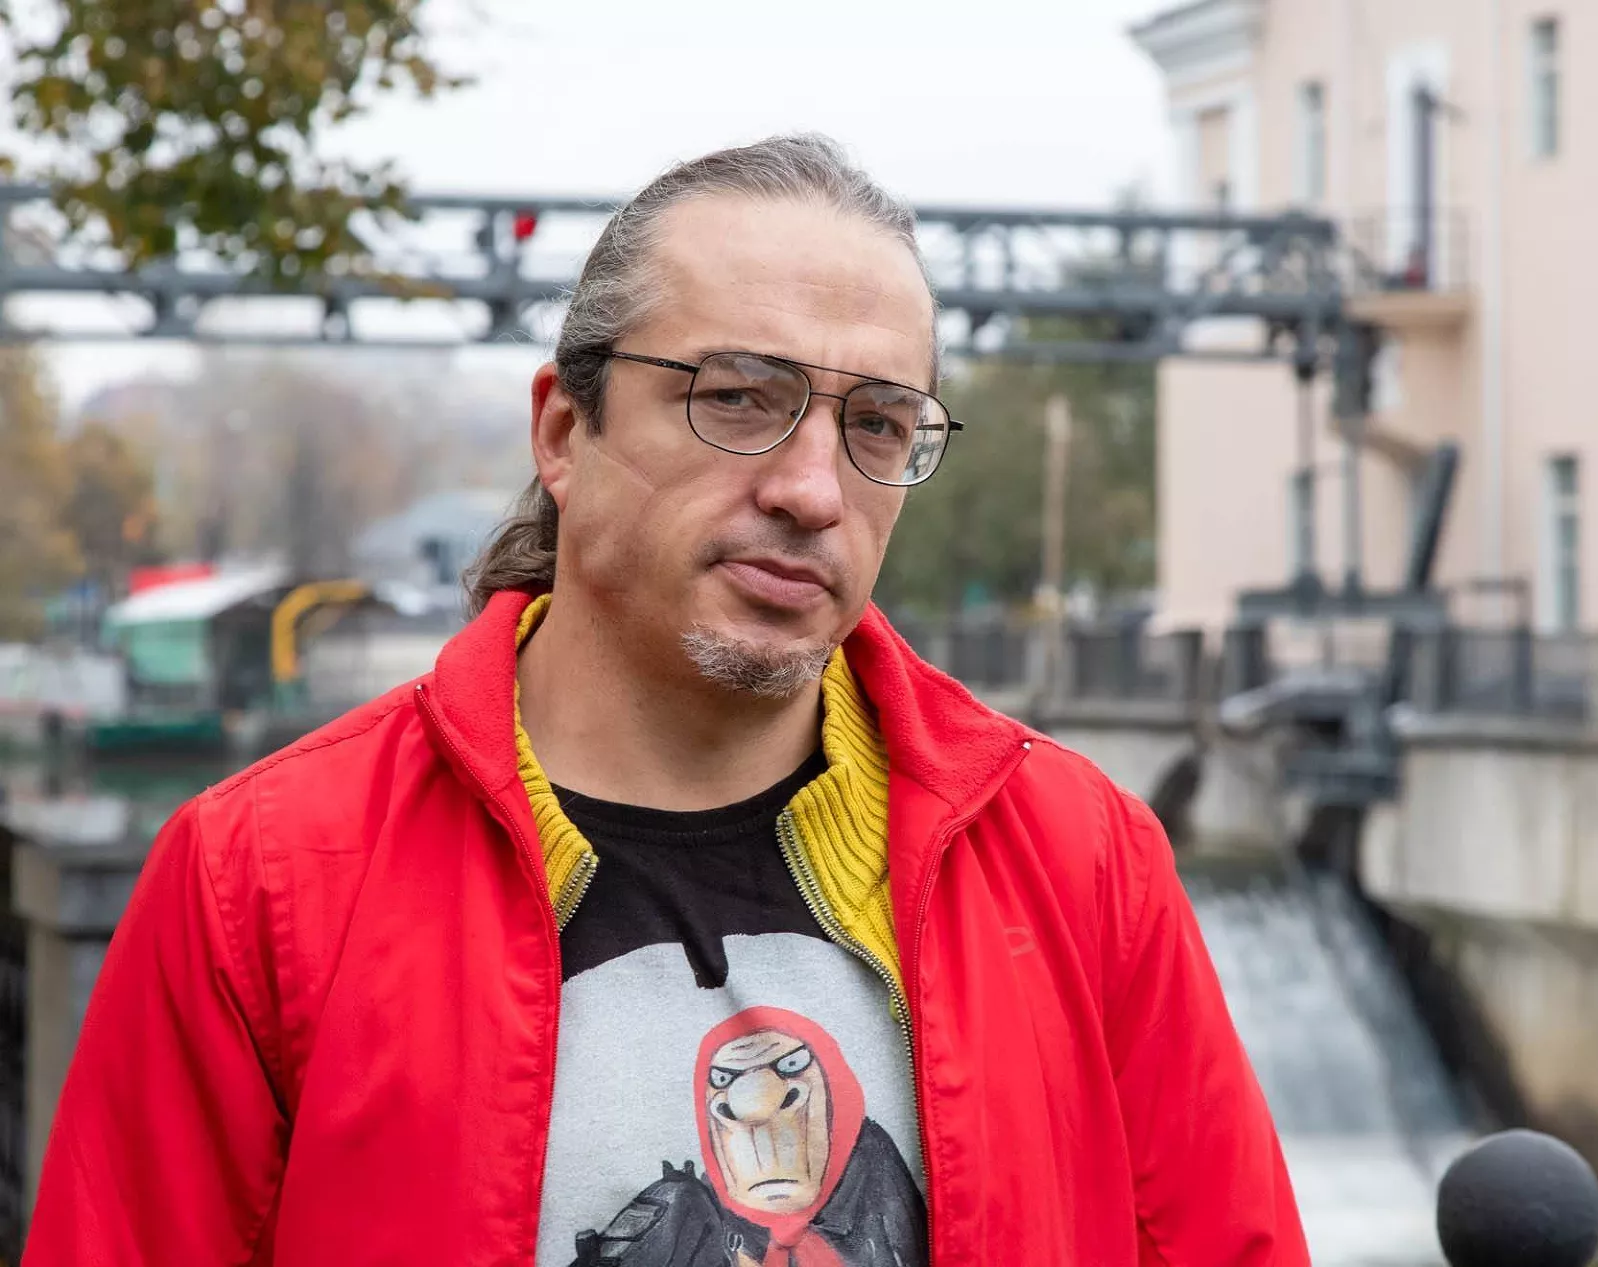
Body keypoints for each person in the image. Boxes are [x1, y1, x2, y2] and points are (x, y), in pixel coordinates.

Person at [25, 134, 1310, 1266]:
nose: (813, 490)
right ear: (562, 434)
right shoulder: (260, 885)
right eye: (739, 397)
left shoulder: (1085, 866)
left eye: (876, 425)